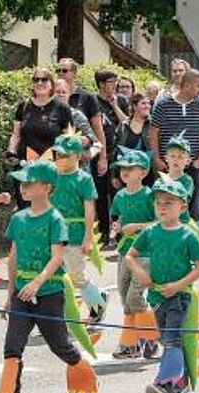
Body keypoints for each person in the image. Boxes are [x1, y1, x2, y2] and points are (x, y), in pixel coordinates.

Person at [0, 159, 99, 393]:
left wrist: (38, 282)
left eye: (29, 182)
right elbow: (12, 259)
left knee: (60, 346)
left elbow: (57, 258)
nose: (23, 187)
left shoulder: (55, 219)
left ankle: (85, 377)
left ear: (46, 187)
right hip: (22, 295)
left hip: (48, 294)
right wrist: (10, 296)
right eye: (22, 182)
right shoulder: (18, 219)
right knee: (12, 346)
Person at [126, 177, 199, 393]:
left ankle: (162, 384)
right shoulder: (150, 232)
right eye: (159, 202)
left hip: (179, 296)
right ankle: (178, 383)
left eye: (169, 202)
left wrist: (178, 285)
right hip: (156, 297)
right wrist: (141, 274)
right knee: (168, 340)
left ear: (182, 206)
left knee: (172, 340)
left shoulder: (188, 235)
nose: (162, 206)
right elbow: (130, 256)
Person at [49, 131, 107, 324]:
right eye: (58, 154)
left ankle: (98, 301)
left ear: (77, 156)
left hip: (74, 233)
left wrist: (88, 237)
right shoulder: (51, 177)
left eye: (66, 154)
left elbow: (89, 209)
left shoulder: (84, 179)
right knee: (56, 275)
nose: (61, 159)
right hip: (53, 233)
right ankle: (60, 315)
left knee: (76, 276)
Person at [110, 148, 161, 360]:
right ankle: (130, 345)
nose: (125, 171)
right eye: (123, 168)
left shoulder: (150, 195)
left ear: (143, 172)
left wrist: (138, 227)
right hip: (125, 252)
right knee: (124, 297)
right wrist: (118, 225)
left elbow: (160, 222)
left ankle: (151, 339)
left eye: (130, 168)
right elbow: (117, 218)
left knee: (135, 296)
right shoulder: (119, 196)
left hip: (146, 253)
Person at [148, 68, 199, 216]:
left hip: (193, 164)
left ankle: (189, 235)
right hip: (167, 165)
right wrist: (157, 158)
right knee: (166, 202)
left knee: (191, 204)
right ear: (186, 85)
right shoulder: (163, 104)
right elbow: (153, 133)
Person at [8, 67, 74, 206]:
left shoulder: (62, 108)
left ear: (51, 84)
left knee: (51, 210)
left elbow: (69, 140)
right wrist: (10, 152)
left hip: (52, 169)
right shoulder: (23, 106)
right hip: (25, 167)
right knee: (26, 209)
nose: (40, 82)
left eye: (44, 79)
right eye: (36, 79)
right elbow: (16, 135)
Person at [94, 70, 130, 247]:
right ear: (101, 84)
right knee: (101, 196)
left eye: (116, 81)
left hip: (119, 156)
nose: (115, 85)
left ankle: (120, 233)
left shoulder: (121, 100)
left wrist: (115, 106)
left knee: (119, 196)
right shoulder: (93, 101)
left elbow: (127, 123)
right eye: (111, 81)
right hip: (101, 154)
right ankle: (103, 234)